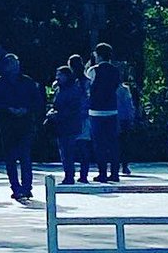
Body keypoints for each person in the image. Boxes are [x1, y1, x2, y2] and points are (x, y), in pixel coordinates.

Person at [0, 54, 43, 200]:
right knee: (10, 158)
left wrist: (27, 109)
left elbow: (37, 100)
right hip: (7, 124)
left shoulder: (27, 81)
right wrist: (8, 109)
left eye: (17, 63)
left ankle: (26, 187)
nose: (15, 66)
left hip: (25, 123)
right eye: (12, 64)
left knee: (25, 156)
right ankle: (15, 186)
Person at [86, 42, 121, 184]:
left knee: (99, 144)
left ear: (97, 54)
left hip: (96, 111)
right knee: (112, 143)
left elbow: (88, 86)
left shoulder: (94, 70)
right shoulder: (116, 71)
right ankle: (114, 173)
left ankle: (102, 173)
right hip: (112, 109)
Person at [47, 64, 85, 185]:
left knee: (68, 151)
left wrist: (58, 115)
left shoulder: (73, 90)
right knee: (64, 151)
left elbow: (73, 108)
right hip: (61, 124)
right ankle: (68, 173)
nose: (57, 77)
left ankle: (70, 175)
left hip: (70, 124)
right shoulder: (59, 89)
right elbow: (55, 104)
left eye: (60, 75)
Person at [68, 54, 92, 184]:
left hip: (73, 117)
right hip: (85, 116)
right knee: (83, 147)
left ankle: (70, 173)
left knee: (70, 147)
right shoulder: (87, 81)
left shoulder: (70, 82)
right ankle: (84, 174)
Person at [116, 78, 137, 176]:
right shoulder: (124, 90)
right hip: (124, 119)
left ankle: (118, 165)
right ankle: (124, 165)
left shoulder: (110, 89)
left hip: (115, 118)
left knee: (116, 143)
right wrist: (131, 118)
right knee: (124, 143)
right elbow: (129, 105)